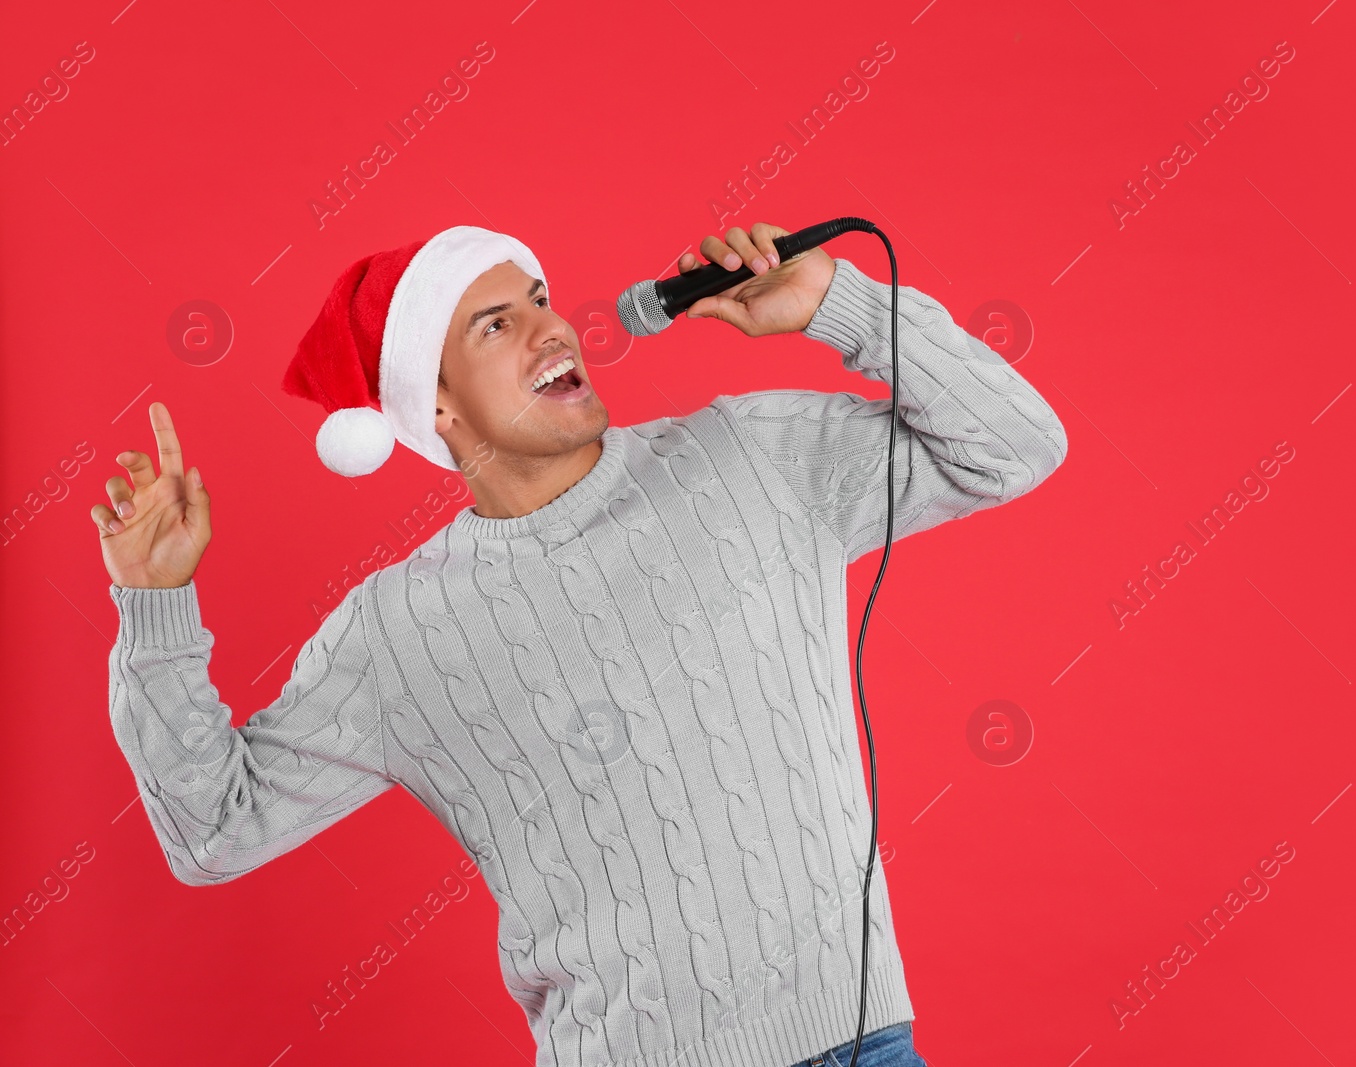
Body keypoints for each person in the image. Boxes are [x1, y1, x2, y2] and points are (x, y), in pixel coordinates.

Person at [92, 222, 1067, 1067]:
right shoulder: (397, 632)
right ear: (435, 409)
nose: (551, 327)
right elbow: (211, 828)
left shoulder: (749, 458)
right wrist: (155, 605)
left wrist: (840, 305)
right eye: (496, 323)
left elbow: (1015, 444)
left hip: (865, 1043)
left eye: (539, 298)